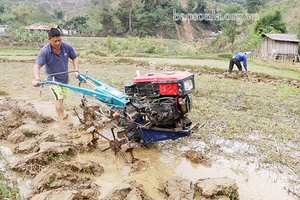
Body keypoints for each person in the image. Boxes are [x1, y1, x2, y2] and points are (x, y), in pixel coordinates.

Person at [32, 27, 79, 119]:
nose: (58, 43)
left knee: (62, 99)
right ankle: (62, 119)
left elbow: (74, 57)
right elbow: (37, 66)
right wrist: (37, 79)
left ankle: (59, 114)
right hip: (53, 80)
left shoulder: (67, 47)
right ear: (49, 40)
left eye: (59, 40)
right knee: (58, 98)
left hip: (65, 78)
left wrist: (76, 70)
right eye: (55, 41)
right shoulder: (45, 51)